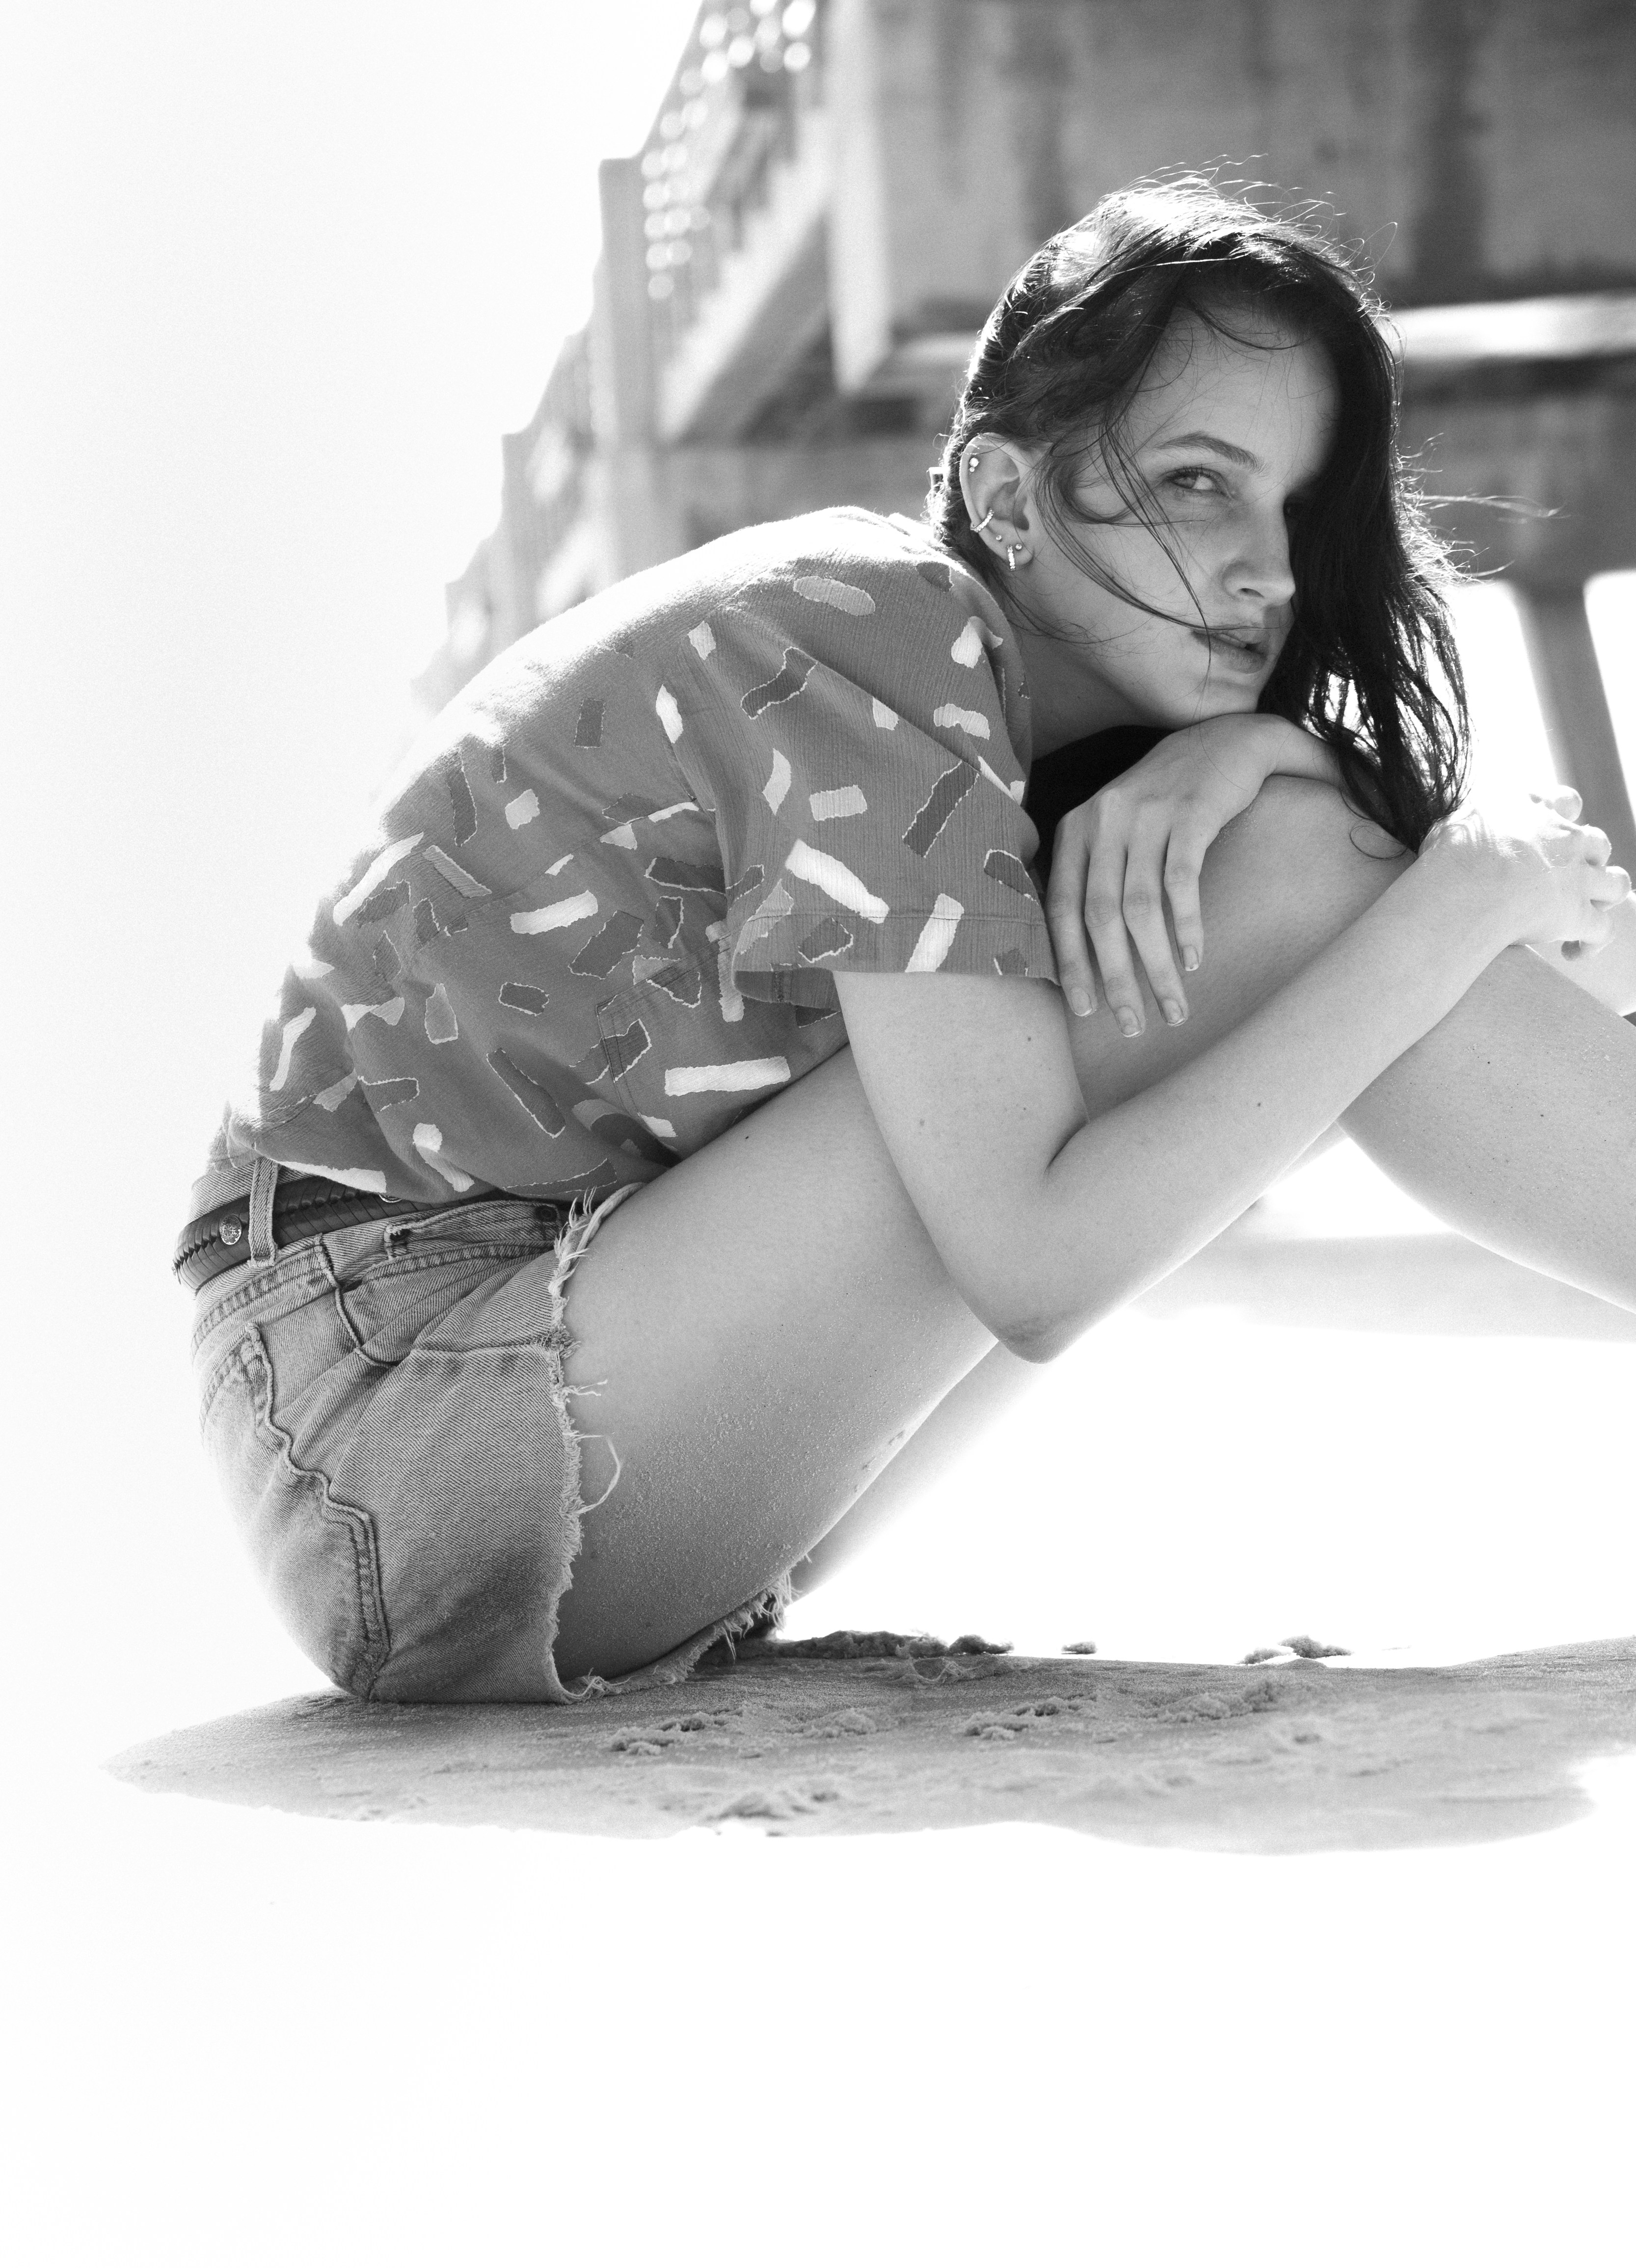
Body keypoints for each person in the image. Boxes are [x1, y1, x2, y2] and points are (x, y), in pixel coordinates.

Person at [176, 176, 1636, 1706]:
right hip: (400, 1409)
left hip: (481, 1446)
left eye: (1291, 502)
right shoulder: (884, 622)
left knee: (1298, 881)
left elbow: (1586, 959)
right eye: (1201, 483)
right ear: (1007, 501)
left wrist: (1294, 766)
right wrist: (1447, 895)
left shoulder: (1011, 755)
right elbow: (1038, 1271)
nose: (1269, 567)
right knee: (1307, 894)